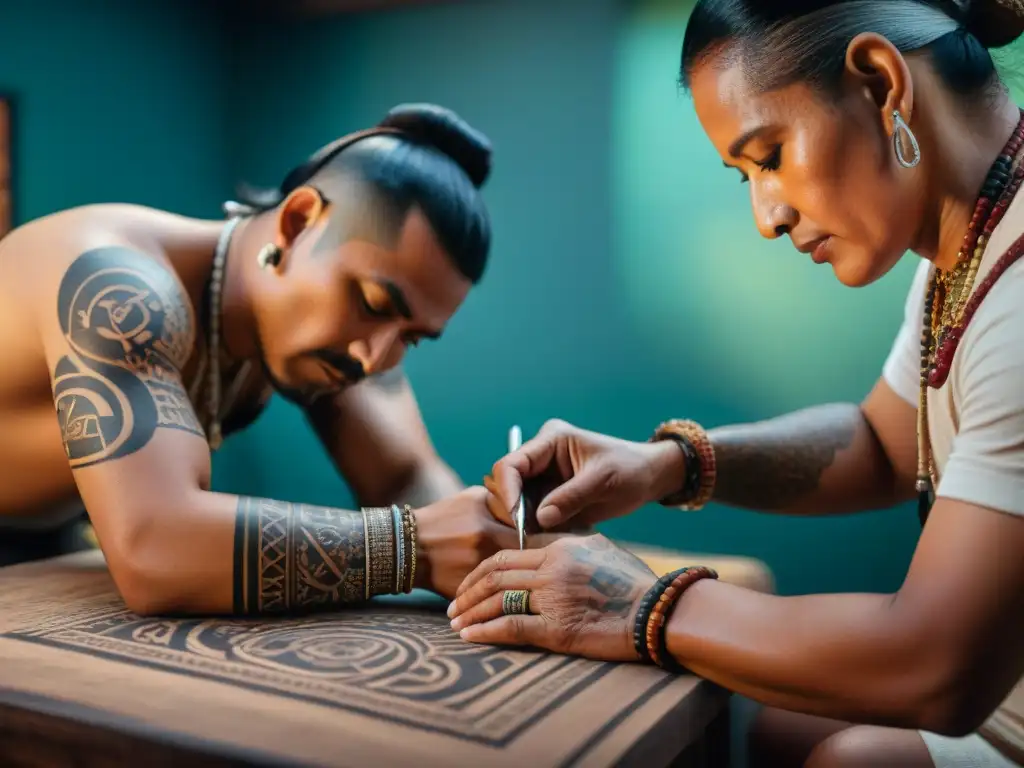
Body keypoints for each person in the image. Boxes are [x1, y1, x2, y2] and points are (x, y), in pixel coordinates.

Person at [446, 2, 1024, 767]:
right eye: (746, 174)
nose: (767, 216)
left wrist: (636, 604)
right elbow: (887, 443)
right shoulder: (969, 242)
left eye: (771, 154)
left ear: (883, 84)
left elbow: (936, 665)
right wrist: (667, 465)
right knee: (777, 731)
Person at [0, 102, 522, 611]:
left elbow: (407, 480)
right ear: (297, 223)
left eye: (410, 338)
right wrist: (412, 548)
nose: (373, 357)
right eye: (372, 303)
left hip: (49, 542)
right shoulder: (120, 289)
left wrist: (517, 545)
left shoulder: (320, 337)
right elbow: (152, 546)